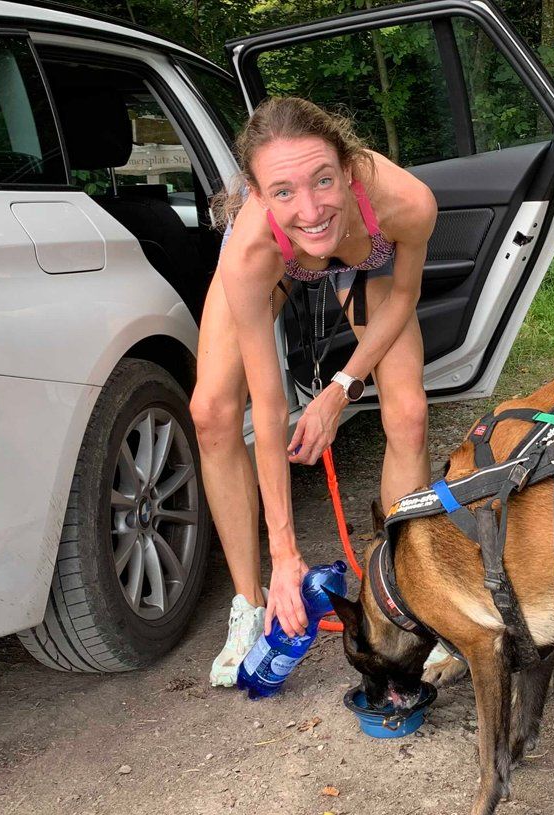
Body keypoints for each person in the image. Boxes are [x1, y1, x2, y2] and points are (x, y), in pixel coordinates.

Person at [193, 97, 437, 687]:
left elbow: (401, 298)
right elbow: (269, 405)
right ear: (254, 192)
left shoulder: (406, 204)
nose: (309, 208)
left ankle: (408, 594)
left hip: (364, 267)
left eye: (323, 180)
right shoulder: (250, 252)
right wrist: (285, 554)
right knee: (211, 413)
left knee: (408, 413)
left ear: (348, 168)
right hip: (279, 267)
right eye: (282, 191)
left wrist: (339, 390)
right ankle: (254, 603)